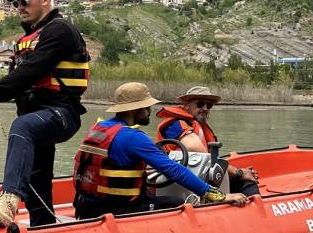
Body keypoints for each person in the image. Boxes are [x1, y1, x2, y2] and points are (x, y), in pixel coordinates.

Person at [0, 0, 90, 227]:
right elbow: (16, 80)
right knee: (38, 177)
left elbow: (32, 71)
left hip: (62, 115)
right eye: (16, 3)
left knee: (22, 127)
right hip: (37, 116)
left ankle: (7, 202)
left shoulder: (60, 30)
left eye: (25, 1)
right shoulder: (26, 40)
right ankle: (44, 226)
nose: (19, 7)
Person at [73, 82, 250, 219]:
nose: (150, 111)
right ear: (137, 109)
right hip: (116, 209)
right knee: (178, 203)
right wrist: (217, 195)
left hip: (85, 207)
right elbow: (174, 170)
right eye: (147, 107)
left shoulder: (98, 128)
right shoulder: (133, 138)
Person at [155, 86, 260, 197]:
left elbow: (209, 160)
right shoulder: (175, 124)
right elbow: (199, 151)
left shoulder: (196, 125)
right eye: (200, 104)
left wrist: (238, 172)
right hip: (182, 181)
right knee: (245, 182)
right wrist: (239, 172)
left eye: (209, 105)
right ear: (186, 105)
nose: (205, 108)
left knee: (245, 182)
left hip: (198, 175)